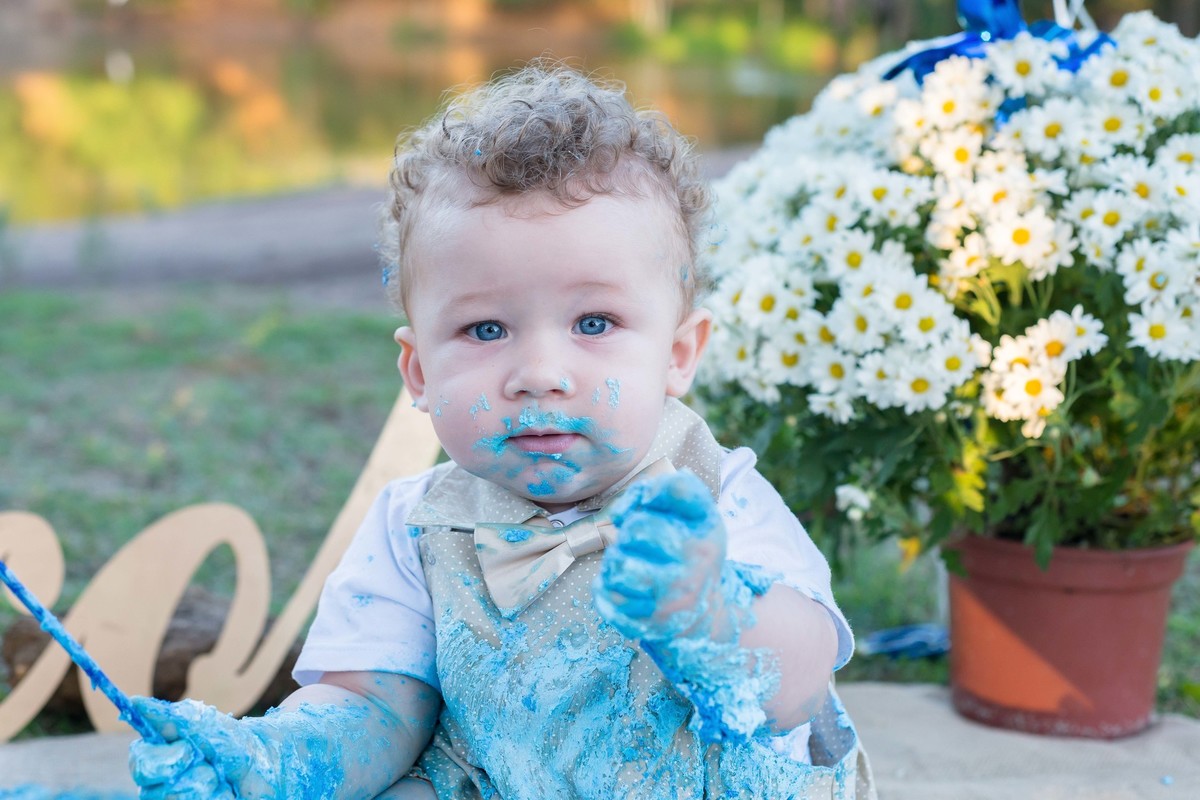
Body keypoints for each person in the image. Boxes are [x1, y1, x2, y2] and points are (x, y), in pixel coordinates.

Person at [127, 61, 874, 800]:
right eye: (486, 329)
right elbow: (374, 707)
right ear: (420, 372)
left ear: (677, 354)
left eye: (594, 323)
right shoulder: (416, 528)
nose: (539, 373)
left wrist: (711, 612)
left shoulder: (714, 494)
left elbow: (799, 688)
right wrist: (277, 762)